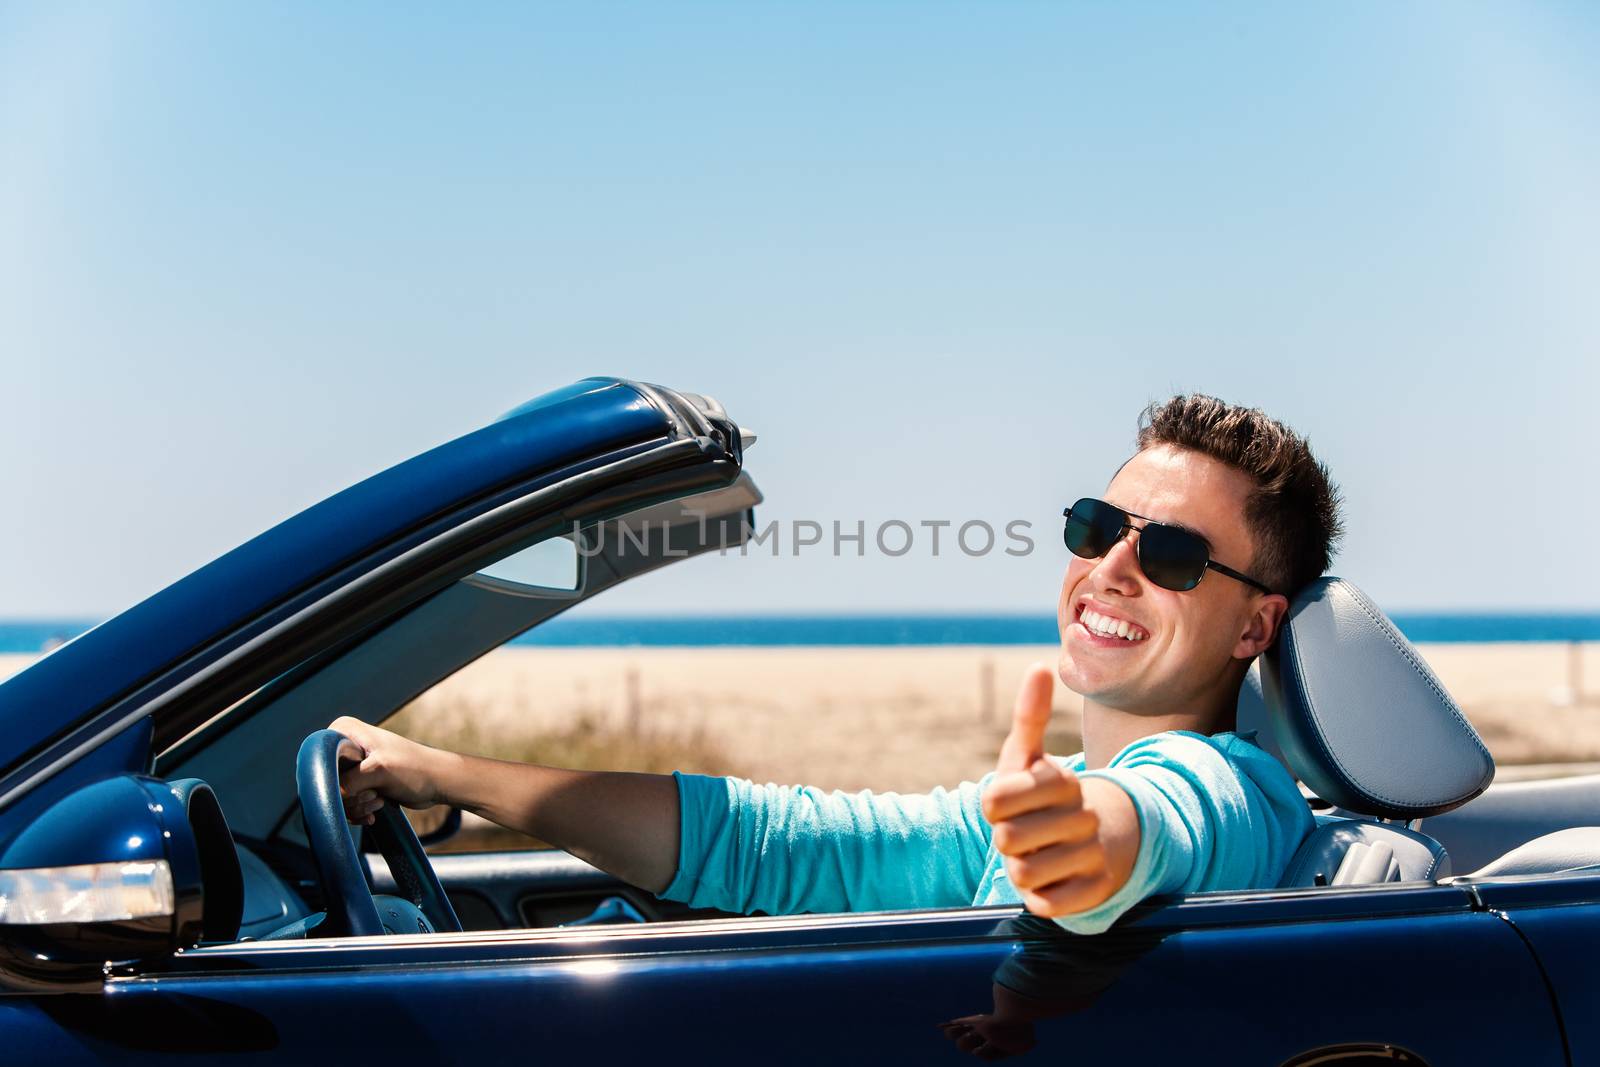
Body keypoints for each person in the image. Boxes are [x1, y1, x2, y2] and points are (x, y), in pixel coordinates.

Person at [332, 394, 1342, 933]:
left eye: (1166, 553)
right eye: (1096, 526)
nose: (1111, 567)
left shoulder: (1231, 789)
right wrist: (437, 770)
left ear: (1253, 628)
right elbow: (773, 842)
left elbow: (1154, 830)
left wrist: (1081, 843)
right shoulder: (1056, 791)